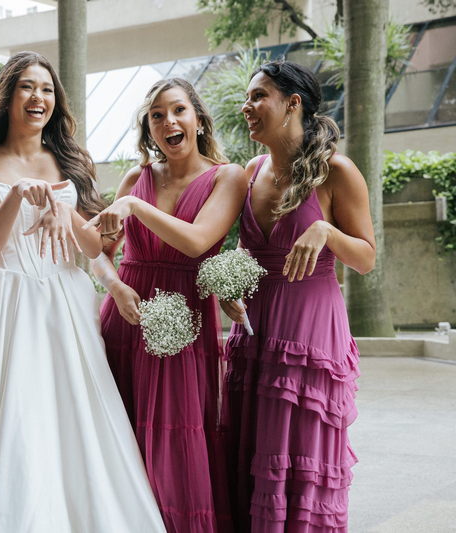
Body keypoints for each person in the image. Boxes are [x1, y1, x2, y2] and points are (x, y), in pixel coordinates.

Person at [0, 51, 166, 533]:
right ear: (7, 97)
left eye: (46, 89)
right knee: (12, 420)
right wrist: (18, 194)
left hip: (65, 304)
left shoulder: (69, 161)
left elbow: (93, 247)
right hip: (5, 304)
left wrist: (65, 211)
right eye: (27, 87)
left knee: (75, 418)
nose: (37, 97)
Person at [87, 77, 247, 532]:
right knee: (119, 432)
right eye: (157, 116)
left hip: (182, 327)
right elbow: (98, 252)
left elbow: (197, 242)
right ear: (150, 130)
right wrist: (115, 287)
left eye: (178, 110)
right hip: (125, 316)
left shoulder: (227, 176)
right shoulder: (135, 179)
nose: (168, 121)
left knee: (176, 438)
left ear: (198, 119)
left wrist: (136, 208)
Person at [222, 60, 375, 532]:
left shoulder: (336, 171)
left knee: (300, 456)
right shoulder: (251, 171)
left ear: (292, 104)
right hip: (255, 333)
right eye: (247, 97)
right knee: (250, 451)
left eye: (258, 96)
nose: (246, 106)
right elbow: (246, 252)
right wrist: (230, 288)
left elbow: (366, 257)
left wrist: (325, 231)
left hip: (309, 335)